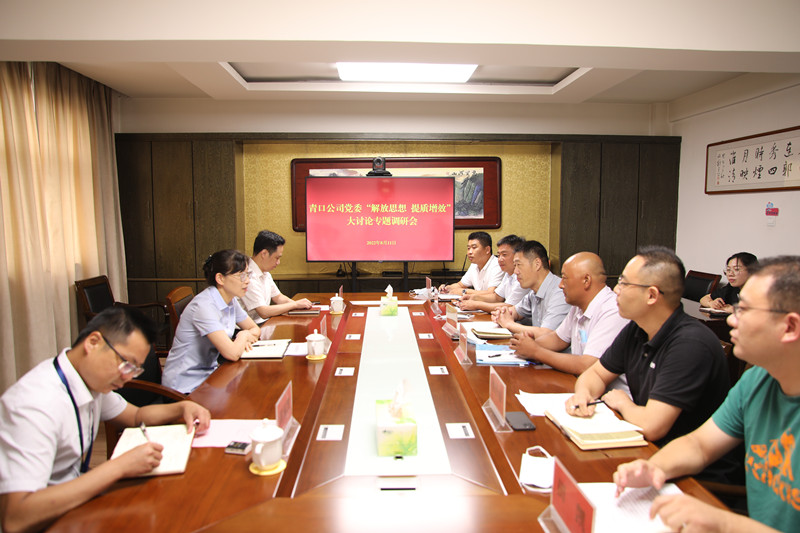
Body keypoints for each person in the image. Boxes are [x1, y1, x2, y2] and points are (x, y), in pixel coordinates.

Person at [613, 256, 800, 533]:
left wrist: (724, 522)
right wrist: (655, 468)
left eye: (744, 310)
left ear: (790, 327)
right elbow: (699, 445)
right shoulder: (756, 381)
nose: (732, 319)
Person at [0, 306, 211, 533]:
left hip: (73, 505)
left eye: (134, 370)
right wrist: (119, 467)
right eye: (125, 363)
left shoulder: (87, 380)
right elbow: (16, 518)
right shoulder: (35, 404)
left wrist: (182, 407)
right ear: (93, 342)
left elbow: (135, 416)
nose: (127, 377)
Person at [566, 247, 737, 481]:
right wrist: (583, 395)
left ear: (651, 295)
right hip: (648, 450)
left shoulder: (690, 344)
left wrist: (623, 403)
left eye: (624, 284)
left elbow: (653, 425)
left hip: (692, 476)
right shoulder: (637, 328)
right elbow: (594, 374)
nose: (616, 290)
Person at [509, 252, 630, 380]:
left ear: (586, 280)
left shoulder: (612, 311)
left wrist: (536, 351)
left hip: (605, 391)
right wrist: (527, 345)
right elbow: (558, 339)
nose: (560, 285)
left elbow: (587, 365)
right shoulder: (578, 306)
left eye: (565, 278)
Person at [162, 249, 261, 393]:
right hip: (184, 386)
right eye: (241, 275)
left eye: (248, 274)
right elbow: (232, 353)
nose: (247, 281)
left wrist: (244, 337)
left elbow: (255, 329)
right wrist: (243, 335)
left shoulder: (230, 299)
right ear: (220, 278)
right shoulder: (204, 306)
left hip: (210, 374)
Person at [493, 239, 570, 334]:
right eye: (514, 265)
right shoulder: (533, 293)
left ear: (537, 264)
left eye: (519, 265)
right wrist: (502, 314)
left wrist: (509, 324)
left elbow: (547, 334)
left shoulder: (560, 292)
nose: (515, 271)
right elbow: (514, 312)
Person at [239, 230, 313, 323]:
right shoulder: (248, 275)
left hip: (263, 323)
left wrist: (300, 305)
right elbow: (263, 312)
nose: (278, 262)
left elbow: (278, 297)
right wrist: (295, 305)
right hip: (249, 326)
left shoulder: (265, 272)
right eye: (277, 258)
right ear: (264, 254)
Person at [459, 234, 529, 312]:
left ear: (518, 256)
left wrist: (476, 305)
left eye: (504, 255)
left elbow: (509, 306)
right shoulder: (508, 274)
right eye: (498, 255)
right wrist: (473, 297)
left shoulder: (522, 276)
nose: (500, 259)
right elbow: (497, 297)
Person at [439, 231, 504, 294]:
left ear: (487, 250)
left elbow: (491, 293)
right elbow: (461, 285)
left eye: (474, 247)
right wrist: (448, 288)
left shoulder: (498, 265)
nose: (469, 252)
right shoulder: (474, 265)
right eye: (468, 248)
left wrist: (464, 291)